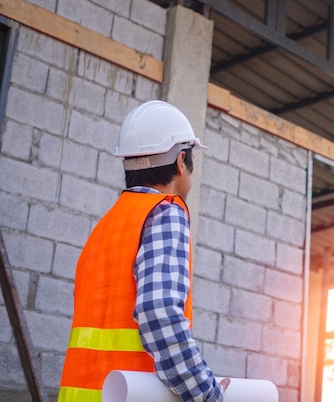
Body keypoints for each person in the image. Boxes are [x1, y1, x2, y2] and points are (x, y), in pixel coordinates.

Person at [58, 100, 230, 401]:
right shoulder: (165, 212)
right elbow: (159, 313)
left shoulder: (107, 226)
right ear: (181, 161)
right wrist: (207, 393)